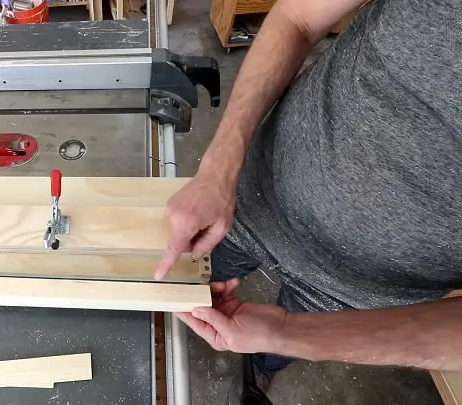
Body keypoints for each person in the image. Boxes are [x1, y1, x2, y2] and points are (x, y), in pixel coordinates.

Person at [153, 0, 462, 393]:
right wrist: (219, 168)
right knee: (183, 279)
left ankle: (258, 370)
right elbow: (297, 17)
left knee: (271, 349)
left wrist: (289, 333)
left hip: (361, 290)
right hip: (254, 194)